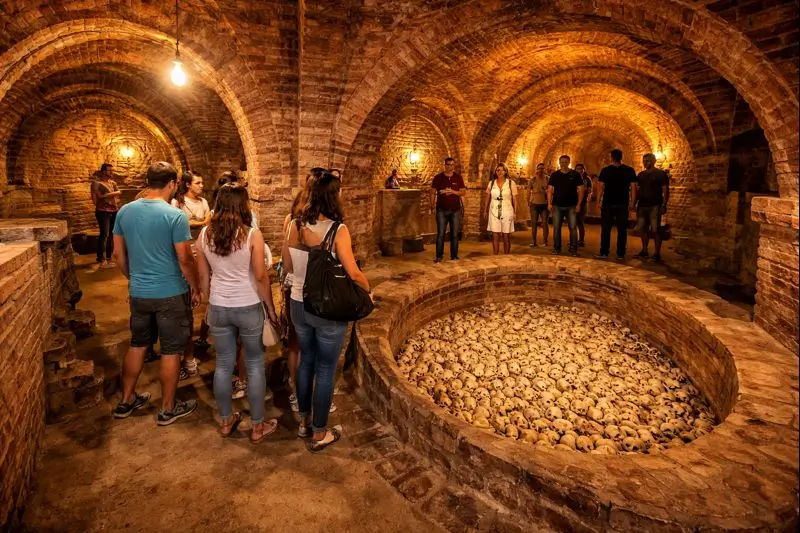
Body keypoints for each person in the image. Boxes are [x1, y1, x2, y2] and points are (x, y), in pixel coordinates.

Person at [282, 172, 372, 452]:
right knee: (325, 368)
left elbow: (286, 266)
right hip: (326, 308)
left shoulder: (294, 224)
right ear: (334, 195)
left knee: (306, 360)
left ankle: (303, 422)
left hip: (298, 302)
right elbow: (353, 271)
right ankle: (319, 432)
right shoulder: (337, 230)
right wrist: (367, 292)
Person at [111, 162, 199, 425]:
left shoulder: (124, 211)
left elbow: (118, 254)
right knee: (171, 350)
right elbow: (184, 258)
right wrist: (194, 286)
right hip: (171, 292)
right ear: (172, 184)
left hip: (139, 292)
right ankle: (168, 408)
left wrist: (133, 278)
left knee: (138, 345)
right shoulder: (174, 216)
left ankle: (126, 400)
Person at [196, 185, 280, 442]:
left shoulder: (204, 234)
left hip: (220, 307)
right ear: (243, 206)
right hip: (248, 305)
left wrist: (210, 302)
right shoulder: (252, 235)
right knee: (254, 365)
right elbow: (260, 276)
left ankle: (226, 420)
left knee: (223, 364)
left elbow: (203, 276)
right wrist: (271, 309)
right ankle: (257, 426)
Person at [281, 170, 324, 415]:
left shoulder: (291, 222)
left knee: (296, 343)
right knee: (313, 346)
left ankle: (295, 391)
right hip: (312, 291)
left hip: (295, 288)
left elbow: (286, 262)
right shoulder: (324, 225)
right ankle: (309, 395)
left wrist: (285, 280)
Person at [171, 171, 211, 378]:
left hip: (200, 249)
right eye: (198, 182)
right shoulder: (177, 203)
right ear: (187, 185)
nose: (201, 185)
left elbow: (207, 221)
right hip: (184, 251)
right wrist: (200, 223)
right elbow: (182, 224)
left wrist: (197, 223)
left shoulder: (203, 201)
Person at [595, 149, 637, 260]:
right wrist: (632, 202)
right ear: (621, 157)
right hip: (623, 203)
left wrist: (598, 201)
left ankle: (604, 252)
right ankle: (620, 254)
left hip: (608, 203)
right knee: (622, 229)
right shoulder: (629, 170)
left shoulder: (606, 170)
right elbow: (633, 188)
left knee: (606, 229)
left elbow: (600, 187)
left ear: (611, 157)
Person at [634, 153, 670, 262]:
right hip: (642, 205)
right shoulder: (641, 175)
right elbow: (637, 190)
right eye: (644, 161)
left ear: (653, 161)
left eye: (648, 161)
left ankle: (656, 253)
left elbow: (665, 189)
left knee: (655, 230)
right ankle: (644, 251)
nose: (645, 163)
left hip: (655, 204)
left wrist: (664, 204)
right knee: (642, 229)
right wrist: (634, 203)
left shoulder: (661, 174)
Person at [547, 155, 585, 256]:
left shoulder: (575, 174)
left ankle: (573, 249)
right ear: (559, 163)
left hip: (571, 205)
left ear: (569, 162)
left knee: (573, 228)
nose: (563, 164)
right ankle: (557, 248)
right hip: (557, 205)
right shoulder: (554, 175)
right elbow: (550, 189)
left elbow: (581, 190)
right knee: (556, 228)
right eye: (562, 162)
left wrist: (579, 204)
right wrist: (549, 203)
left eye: (565, 162)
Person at [430, 157, 466, 262]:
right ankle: (439, 256)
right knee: (441, 233)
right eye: (448, 165)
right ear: (444, 165)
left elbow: (463, 192)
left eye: (452, 165)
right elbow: (432, 192)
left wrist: (452, 192)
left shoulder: (458, 178)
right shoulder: (438, 178)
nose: (450, 167)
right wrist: (431, 206)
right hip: (441, 209)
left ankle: (454, 256)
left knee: (454, 234)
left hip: (455, 210)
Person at [91, 164, 121, 269]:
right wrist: (112, 194)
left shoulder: (113, 183)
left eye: (112, 170)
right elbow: (96, 199)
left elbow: (118, 193)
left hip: (114, 210)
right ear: (103, 171)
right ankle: (101, 258)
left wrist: (105, 195)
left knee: (112, 234)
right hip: (103, 211)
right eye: (109, 170)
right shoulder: (96, 184)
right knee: (104, 234)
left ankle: (109, 258)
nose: (112, 172)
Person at [484, 163, 517, 255]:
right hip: (494, 211)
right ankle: (496, 257)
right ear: (495, 171)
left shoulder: (511, 183)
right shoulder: (491, 183)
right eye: (498, 170)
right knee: (495, 235)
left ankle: (506, 257)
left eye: (502, 170)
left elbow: (514, 199)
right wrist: (485, 210)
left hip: (507, 211)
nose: (500, 172)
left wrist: (515, 212)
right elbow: (488, 197)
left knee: (506, 236)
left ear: (505, 171)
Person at [528, 162, 549, 247]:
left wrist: (545, 191)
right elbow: (528, 192)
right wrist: (528, 201)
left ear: (544, 170)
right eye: (539, 168)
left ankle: (545, 241)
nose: (540, 170)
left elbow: (551, 190)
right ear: (537, 169)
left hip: (544, 204)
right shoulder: (532, 180)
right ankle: (534, 241)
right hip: (534, 204)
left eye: (542, 168)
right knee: (534, 223)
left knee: (545, 223)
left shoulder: (548, 179)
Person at [574, 163, 592, 247]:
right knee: (573, 222)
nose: (579, 170)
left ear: (583, 169)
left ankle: (581, 240)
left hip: (583, 202)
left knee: (580, 222)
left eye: (580, 168)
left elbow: (589, 190)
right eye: (577, 168)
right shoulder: (573, 178)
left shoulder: (587, 179)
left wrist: (584, 190)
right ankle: (574, 240)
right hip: (573, 202)